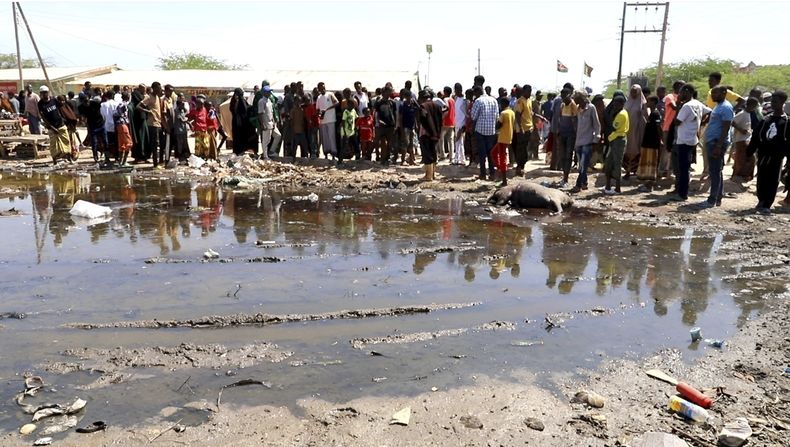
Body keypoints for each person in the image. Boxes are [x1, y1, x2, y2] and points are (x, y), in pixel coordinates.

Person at [747, 90, 789, 214]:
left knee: (772, 179)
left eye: (776, 102)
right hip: (763, 154)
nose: (773, 104)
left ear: (782, 102)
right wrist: (749, 152)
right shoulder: (766, 120)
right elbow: (756, 137)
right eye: (772, 101)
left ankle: (767, 204)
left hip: (776, 156)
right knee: (761, 177)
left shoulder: (786, 122)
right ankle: (761, 200)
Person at [669, 84, 711, 202]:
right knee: (684, 167)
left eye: (681, 92)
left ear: (687, 92)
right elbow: (710, 111)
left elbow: (677, 122)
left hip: (684, 140)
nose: (679, 95)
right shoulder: (698, 104)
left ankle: (682, 194)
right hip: (692, 139)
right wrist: (701, 122)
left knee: (683, 169)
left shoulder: (686, 106)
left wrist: (678, 105)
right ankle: (682, 191)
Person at [696, 86, 734, 209]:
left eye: (715, 93)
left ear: (724, 93)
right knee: (716, 171)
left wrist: (718, 145)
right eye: (712, 93)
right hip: (713, 142)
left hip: (717, 143)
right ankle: (718, 197)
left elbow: (726, 127)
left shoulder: (726, 107)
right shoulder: (719, 106)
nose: (712, 95)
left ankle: (711, 199)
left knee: (714, 172)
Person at [571, 91, 600, 193]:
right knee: (581, 164)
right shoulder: (578, 110)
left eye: (576, 99)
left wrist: (596, 138)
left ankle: (578, 185)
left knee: (583, 164)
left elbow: (597, 125)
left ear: (581, 99)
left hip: (588, 140)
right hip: (579, 140)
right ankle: (584, 182)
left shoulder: (591, 108)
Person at [36, 86, 72, 164]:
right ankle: (55, 160)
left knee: (66, 141)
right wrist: (52, 128)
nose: (44, 94)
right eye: (42, 93)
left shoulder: (53, 100)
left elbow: (61, 109)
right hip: (51, 128)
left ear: (48, 92)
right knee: (53, 145)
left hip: (60, 125)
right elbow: (43, 118)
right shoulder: (40, 104)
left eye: (45, 93)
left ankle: (69, 158)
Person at [470, 85, 498, 180]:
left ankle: (483, 174)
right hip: (491, 131)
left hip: (480, 131)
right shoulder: (494, 100)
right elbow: (497, 116)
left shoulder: (478, 101)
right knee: (491, 153)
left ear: (477, 92)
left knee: (482, 154)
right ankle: (492, 173)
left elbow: (473, 117)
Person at [636, 96, 664, 191]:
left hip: (652, 143)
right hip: (648, 142)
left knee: (651, 164)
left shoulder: (656, 114)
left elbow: (658, 127)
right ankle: (647, 183)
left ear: (653, 102)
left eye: (649, 101)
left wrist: (661, 140)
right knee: (647, 163)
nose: (647, 102)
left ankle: (649, 185)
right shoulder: (652, 113)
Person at [603, 96, 629, 194]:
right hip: (614, 139)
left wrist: (612, 115)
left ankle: (618, 188)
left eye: (617, 104)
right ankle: (608, 186)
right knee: (609, 162)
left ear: (622, 104)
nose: (614, 105)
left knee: (617, 163)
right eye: (614, 103)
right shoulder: (620, 112)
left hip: (618, 140)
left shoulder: (621, 114)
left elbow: (614, 127)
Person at [136, 81, 165, 168]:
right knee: (155, 144)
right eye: (159, 88)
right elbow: (138, 106)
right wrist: (148, 111)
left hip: (159, 123)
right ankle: (155, 164)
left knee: (161, 144)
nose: (160, 90)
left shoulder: (158, 97)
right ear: (154, 88)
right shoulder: (149, 97)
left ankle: (160, 162)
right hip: (152, 124)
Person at [417, 88, 443, 181]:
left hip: (425, 133)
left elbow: (423, 119)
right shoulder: (437, 106)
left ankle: (428, 176)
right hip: (435, 134)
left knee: (427, 155)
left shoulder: (423, 106)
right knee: (433, 153)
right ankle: (433, 174)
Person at [731, 97, 758, 182]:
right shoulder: (742, 113)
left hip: (746, 139)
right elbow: (732, 122)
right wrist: (741, 130)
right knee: (742, 159)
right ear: (752, 105)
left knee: (746, 158)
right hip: (740, 140)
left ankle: (743, 176)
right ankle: (737, 176)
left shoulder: (748, 114)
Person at [623, 84, 647, 179]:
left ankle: (636, 171)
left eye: (635, 92)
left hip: (638, 130)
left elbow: (646, 117)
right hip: (627, 130)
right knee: (627, 150)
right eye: (632, 91)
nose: (633, 93)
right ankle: (627, 171)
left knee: (637, 150)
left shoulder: (643, 103)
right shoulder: (627, 102)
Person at [491, 97, 515, 186]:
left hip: (502, 138)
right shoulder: (511, 112)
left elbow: (498, 126)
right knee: (494, 153)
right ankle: (500, 170)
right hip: (508, 136)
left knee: (502, 158)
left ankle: (504, 180)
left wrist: (496, 121)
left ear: (503, 104)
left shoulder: (503, 113)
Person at [557, 88, 578, 186]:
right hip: (563, 133)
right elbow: (560, 119)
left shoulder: (573, 105)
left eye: (564, 96)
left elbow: (575, 121)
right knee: (562, 156)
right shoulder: (562, 105)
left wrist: (575, 134)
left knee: (568, 156)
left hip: (570, 134)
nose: (563, 98)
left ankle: (566, 178)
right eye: (562, 96)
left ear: (569, 95)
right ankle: (564, 177)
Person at [514, 84, 534, 176]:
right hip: (522, 129)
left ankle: (522, 166)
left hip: (529, 128)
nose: (530, 93)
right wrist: (521, 127)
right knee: (521, 148)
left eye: (530, 91)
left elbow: (530, 113)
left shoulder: (529, 100)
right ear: (524, 91)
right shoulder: (520, 101)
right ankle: (519, 167)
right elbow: (517, 115)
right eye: (528, 91)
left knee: (526, 148)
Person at [316, 82, 339, 159]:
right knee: (325, 138)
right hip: (323, 121)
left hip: (331, 119)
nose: (322, 89)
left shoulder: (330, 94)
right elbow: (317, 109)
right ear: (318, 89)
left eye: (323, 87)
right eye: (320, 88)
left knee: (331, 137)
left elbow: (337, 103)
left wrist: (327, 109)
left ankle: (334, 154)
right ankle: (326, 154)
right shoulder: (319, 97)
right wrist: (320, 114)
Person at [375, 86, 397, 165]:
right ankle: (382, 159)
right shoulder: (379, 102)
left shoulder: (392, 102)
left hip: (390, 125)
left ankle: (387, 158)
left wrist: (395, 125)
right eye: (388, 91)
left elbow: (394, 114)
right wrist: (378, 121)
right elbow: (376, 113)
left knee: (390, 143)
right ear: (384, 92)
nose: (390, 93)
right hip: (382, 125)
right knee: (383, 143)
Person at [56, 94, 80, 160]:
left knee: (71, 141)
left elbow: (71, 116)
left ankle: (72, 154)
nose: (62, 102)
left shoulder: (66, 106)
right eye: (60, 101)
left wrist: (72, 124)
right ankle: (65, 155)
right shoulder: (57, 108)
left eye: (63, 101)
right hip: (62, 127)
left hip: (69, 128)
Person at [399, 89, 419, 165]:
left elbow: (414, 116)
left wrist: (416, 124)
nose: (409, 98)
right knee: (405, 143)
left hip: (412, 126)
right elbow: (400, 118)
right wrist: (401, 129)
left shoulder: (413, 105)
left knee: (411, 143)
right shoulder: (402, 105)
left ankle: (411, 159)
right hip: (405, 126)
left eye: (410, 96)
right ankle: (403, 160)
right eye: (407, 96)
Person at [230, 88, 252, 155]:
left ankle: (238, 150)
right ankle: (239, 150)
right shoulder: (240, 100)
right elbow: (245, 110)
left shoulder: (234, 100)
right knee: (239, 136)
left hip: (237, 121)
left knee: (238, 136)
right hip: (240, 122)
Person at [257, 86, 276, 160]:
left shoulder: (269, 101)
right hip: (266, 123)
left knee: (271, 138)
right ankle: (265, 156)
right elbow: (260, 114)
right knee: (265, 140)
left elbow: (271, 112)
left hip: (270, 122)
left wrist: (273, 121)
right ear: (264, 93)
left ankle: (268, 153)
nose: (269, 93)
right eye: (268, 92)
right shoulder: (261, 101)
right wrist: (262, 124)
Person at [114, 92, 133, 165]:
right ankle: (124, 161)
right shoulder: (124, 104)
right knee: (128, 143)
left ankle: (121, 162)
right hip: (123, 124)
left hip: (119, 125)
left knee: (122, 144)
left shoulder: (120, 104)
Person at [100, 91, 118, 166]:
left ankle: (107, 158)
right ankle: (117, 157)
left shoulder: (103, 105)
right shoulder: (117, 104)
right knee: (116, 142)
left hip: (107, 126)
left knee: (107, 143)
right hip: (116, 125)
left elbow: (102, 116)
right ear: (113, 96)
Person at [440, 86, 456, 163]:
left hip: (445, 121)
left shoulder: (445, 100)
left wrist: (442, 118)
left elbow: (445, 109)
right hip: (452, 122)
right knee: (451, 140)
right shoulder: (453, 100)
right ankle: (451, 156)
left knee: (441, 139)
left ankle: (442, 155)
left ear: (445, 92)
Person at [339, 100, 358, 165]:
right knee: (344, 147)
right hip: (346, 132)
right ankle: (340, 161)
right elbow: (343, 123)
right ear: (348, 105)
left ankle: (358, 159)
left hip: (352, 132)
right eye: (351, 105)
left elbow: (355, 119)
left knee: (356, 145)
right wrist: (345, 133)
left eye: (353, 105)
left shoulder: (353, 111)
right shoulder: (345, 112)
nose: (352, 106)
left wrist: (355, 128)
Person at [173, 94, 190, 163]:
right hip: (179, 130)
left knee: (184, 143)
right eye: (182, 105)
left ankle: (184, 155)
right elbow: (182, 119)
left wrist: (184, 109)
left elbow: (186, 113)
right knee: (179, 143)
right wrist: (186, 119)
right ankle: (179, 155)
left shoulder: (182, 110)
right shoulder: (177, 110)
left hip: (183, 130)